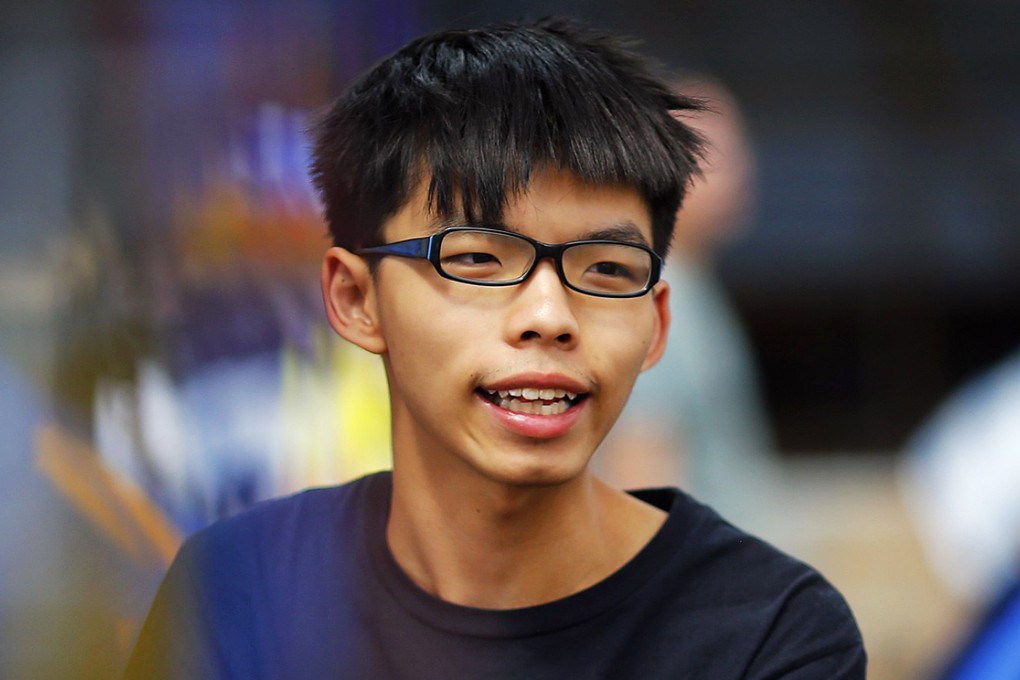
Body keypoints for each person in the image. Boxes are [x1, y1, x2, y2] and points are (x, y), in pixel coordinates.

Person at [124, 18, 865, 679]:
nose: (549, 316)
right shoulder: (239, 591)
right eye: (476, 259)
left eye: (606, 270)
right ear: (356, 301)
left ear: (657, 326)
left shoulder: (769, 633)